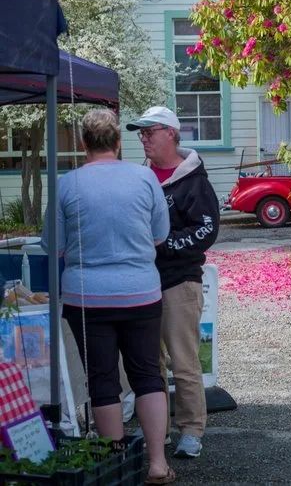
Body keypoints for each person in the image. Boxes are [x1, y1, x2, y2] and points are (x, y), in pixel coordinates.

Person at [42, 109, 175, 484]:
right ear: (118, 141)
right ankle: (157, 463)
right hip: (141, 292)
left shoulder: (68, 184)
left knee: (102, 380)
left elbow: (53, 244)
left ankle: (116, 464)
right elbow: (160, 234)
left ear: (83, 142)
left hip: (87, 297)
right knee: (147, 375)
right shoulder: (144, 178)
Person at [126, 106, 220, 458]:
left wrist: (163, 245)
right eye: (141, 133)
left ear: (171, 133)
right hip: (143, 282)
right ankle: (157, 429)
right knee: (148, 361)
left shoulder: (194, 180)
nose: (144, 139)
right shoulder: (141, 177)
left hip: (179, 281)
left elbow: (207, 229)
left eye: (149, 132)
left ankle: (191, 430)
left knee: (183, 361)